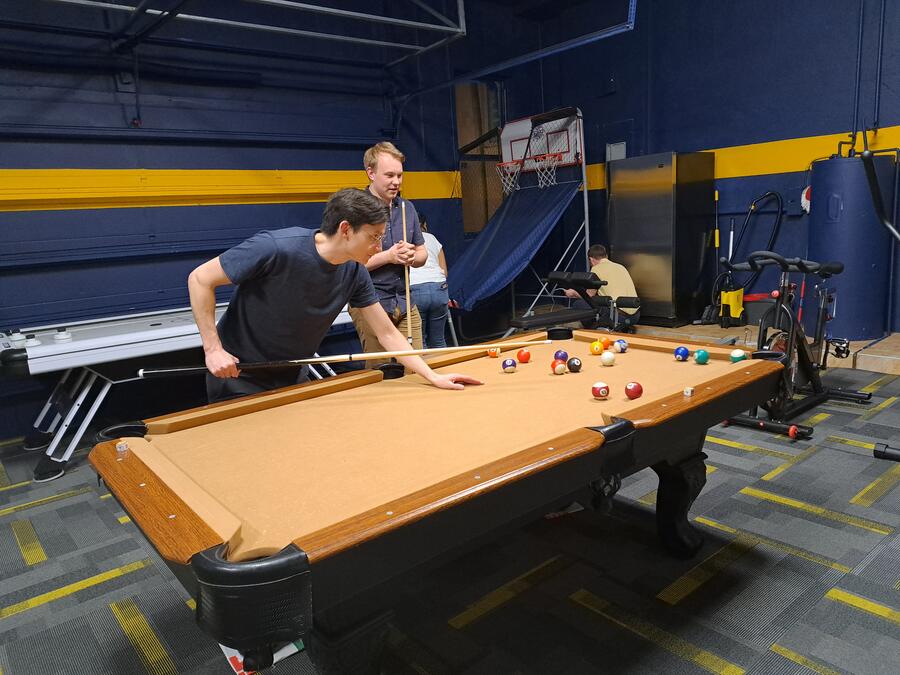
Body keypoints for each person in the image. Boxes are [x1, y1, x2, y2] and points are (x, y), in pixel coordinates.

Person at [188, 188, 480, 402]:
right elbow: (200, 279)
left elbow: (388, 334)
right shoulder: (276, 248)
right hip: (239, 376)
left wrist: (432, 375)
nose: (379, 248)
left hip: (293, 374)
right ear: (345, 230)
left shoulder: (354, 272)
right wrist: (213, 349)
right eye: (374, 237)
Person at [349, 141, 427, 369]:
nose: (396, 182)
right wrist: (389, 256)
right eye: (390, 175)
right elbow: (349, 265)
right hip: (369, 303)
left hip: (405, 301)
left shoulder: (407, 208)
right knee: (380, 373)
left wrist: (411, 256)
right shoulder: (355, 210)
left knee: (417, 368)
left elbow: (422, 253)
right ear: (371, 173)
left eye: (400, 176)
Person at [564, 244, 641, 330]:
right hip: (635, 317)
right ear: (606, 256)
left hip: (619, 317)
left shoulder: (596, 269)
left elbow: (589, 296)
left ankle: (596, 329)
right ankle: (621, 327)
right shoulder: (621, 267)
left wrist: (574, 293)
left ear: (591, 259)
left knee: (579, 304)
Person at [409, 213, 450, 348]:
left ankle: (426, 369)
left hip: (415, 289)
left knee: (420, 341)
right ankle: (445, 368)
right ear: (424, 225)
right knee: (438, 339)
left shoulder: (403, 241)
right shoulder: (432, 238)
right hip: (439, 287)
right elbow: (444, 271)